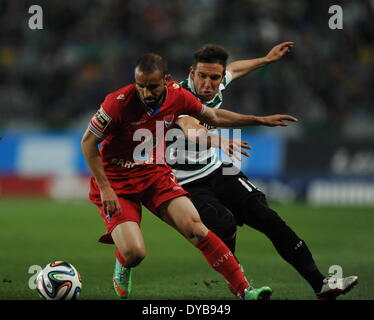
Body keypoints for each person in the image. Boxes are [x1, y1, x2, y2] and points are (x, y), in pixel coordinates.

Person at [81, 53, 297, 300]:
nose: (146, 93)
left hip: (154, 174)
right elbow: (88, 144)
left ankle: (245, 290)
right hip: (117, 182)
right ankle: (123, 260)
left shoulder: (178, 96)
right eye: (141, 87)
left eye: (152, 87)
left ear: (166, 80)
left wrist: (258, 120)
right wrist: (105, 188)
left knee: (196, 228)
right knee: (135, 253)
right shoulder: (116, 103)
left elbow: (213, 116)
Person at [166, 42, 358, 300]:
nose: (208, 84)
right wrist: (221, 140)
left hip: (215, 169)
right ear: (192, 72)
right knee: (224, 224)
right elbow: (191, 128)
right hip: (187, 182)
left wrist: (266, 60)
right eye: (202, 76)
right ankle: (240, 285)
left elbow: (236, 68)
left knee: (269, 219)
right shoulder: (178, 95)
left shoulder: (218, 82)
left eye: (214, 77)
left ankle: (320, 284)